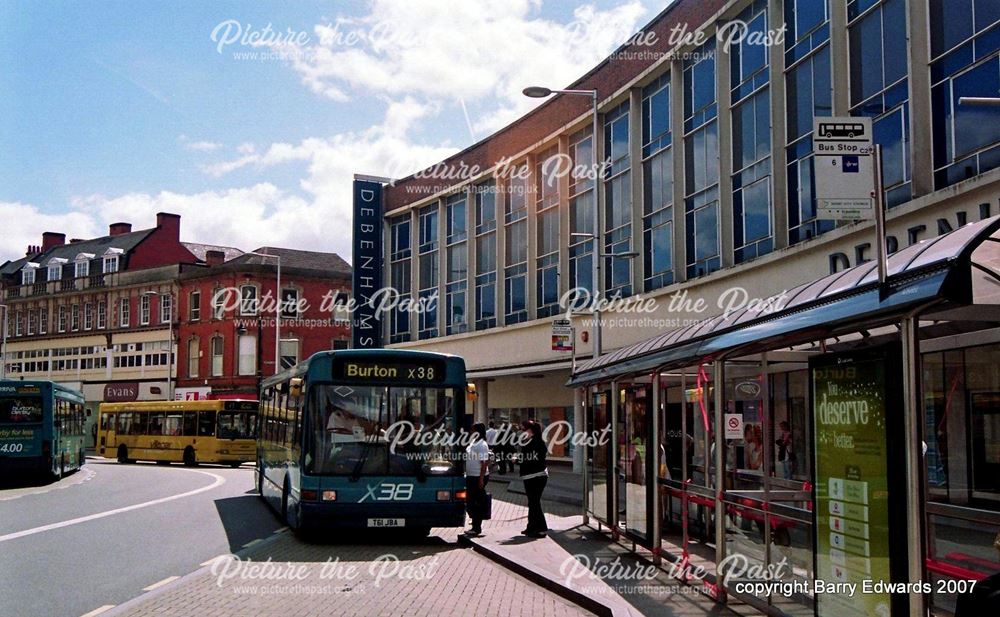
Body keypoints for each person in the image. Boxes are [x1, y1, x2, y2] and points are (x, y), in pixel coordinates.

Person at [519, 420, 549, 537]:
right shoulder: (534, 441)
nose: (522, 432)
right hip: (533, 476)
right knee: (532, 502)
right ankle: (531, 527)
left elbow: (531, 459)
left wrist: (518, 460)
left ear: (530, 430)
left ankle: (541, 528)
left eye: (524, 430)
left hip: (535, 476)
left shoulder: (535, 443)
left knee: (534, 502)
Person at [464, 422, 490, 536]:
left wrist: (481, 479)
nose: (471, 432)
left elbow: (484, 463)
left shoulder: (482, 445)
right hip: (471, 475)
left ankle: (476, 526)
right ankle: (475, 521)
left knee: (475, 501)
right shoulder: (474, 442)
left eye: (473, 430)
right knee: (471, 501)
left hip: (477, 476)